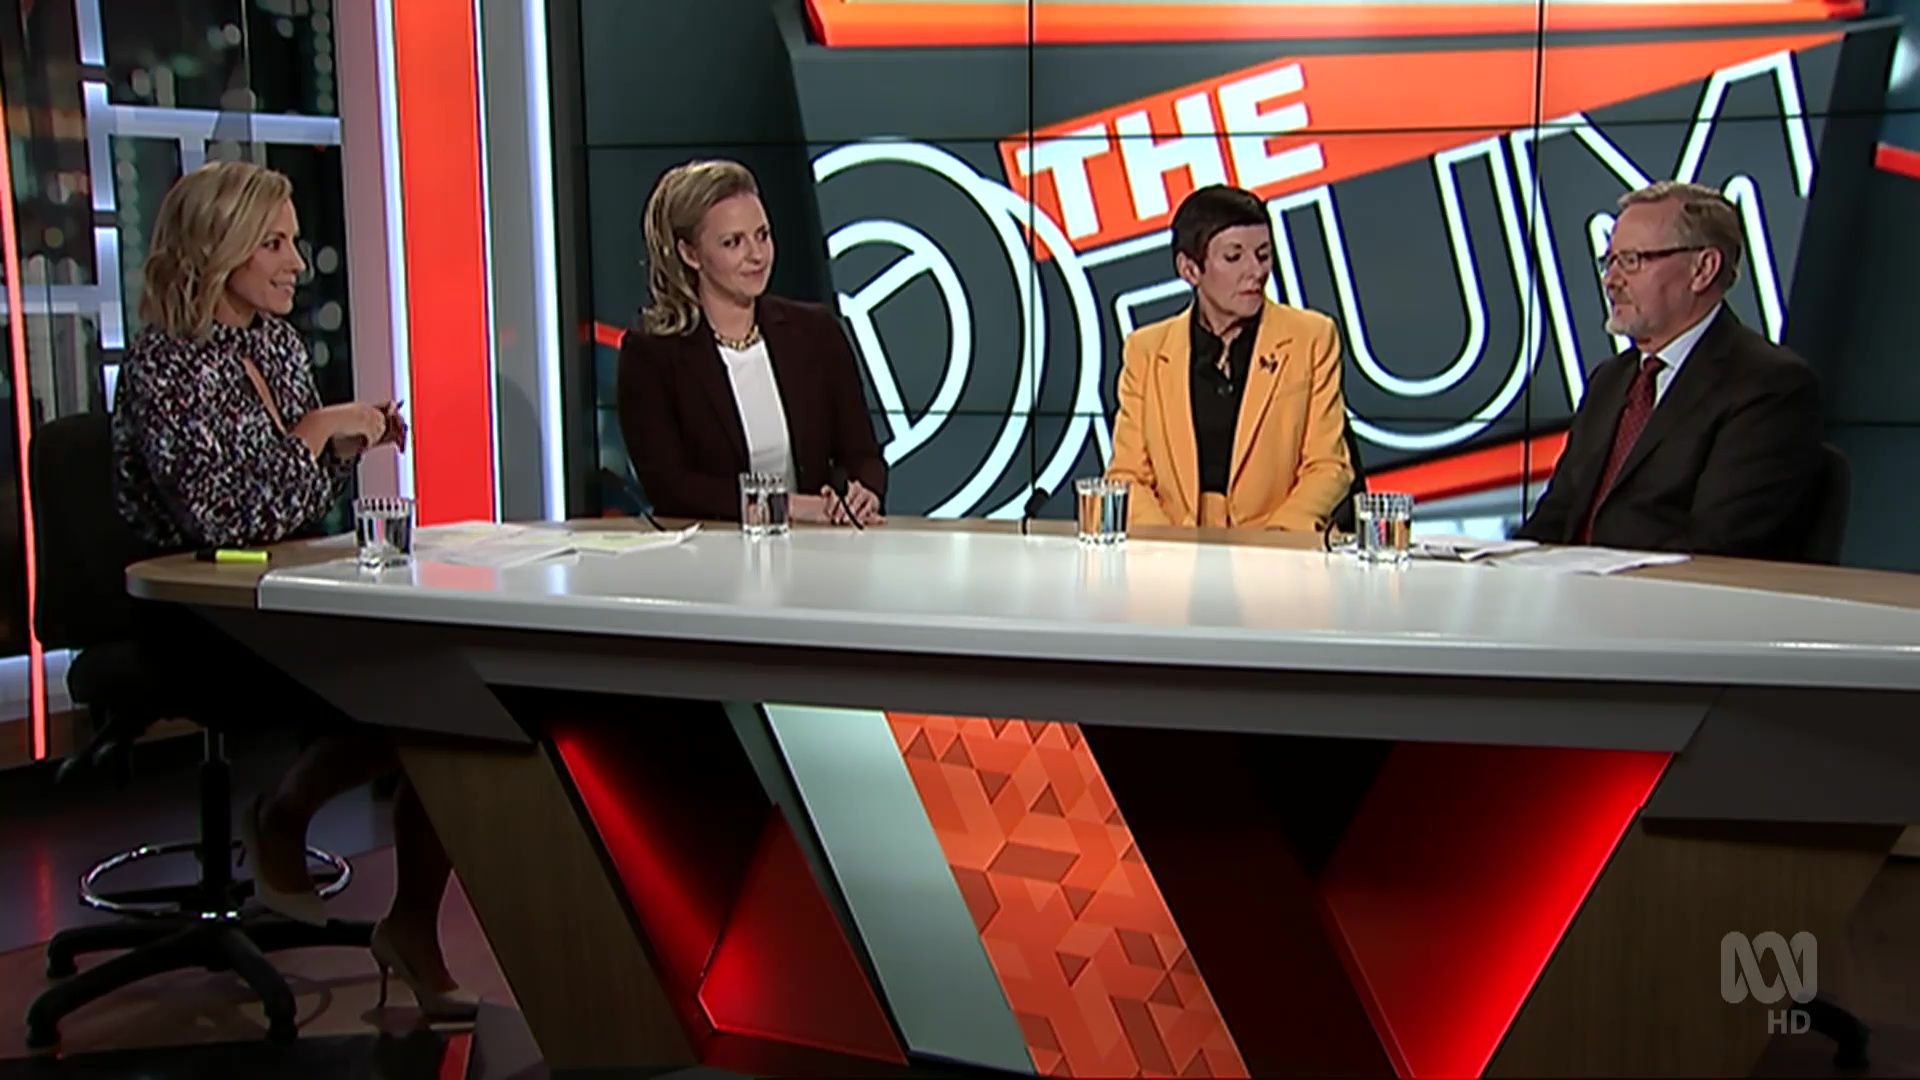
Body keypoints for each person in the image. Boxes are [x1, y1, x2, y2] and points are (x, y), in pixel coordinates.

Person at [112, 160, 475, 1020]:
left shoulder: (271, 344)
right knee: (414, 698)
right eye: (274, 244)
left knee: (454, 692)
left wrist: (343, 446)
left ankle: (407, 919)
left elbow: (290, 505)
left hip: (281, 588)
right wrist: (314, 431)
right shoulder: (164, 363)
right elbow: (217, 517)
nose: (296, 265)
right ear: (219, 248)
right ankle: (284, 816)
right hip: (197, 614)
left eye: (293, 242)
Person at [1516, 181, 1823, 558]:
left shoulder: (1768, 385)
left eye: (1632, 260)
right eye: (1609, 261)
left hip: (1664, 591)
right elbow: (1556, 514)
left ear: (1702, 269)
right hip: (1574, 587)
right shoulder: (1610, 379)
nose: (1611, 281)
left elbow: (1718, 545)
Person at [617, 160, 885, 525]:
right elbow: (670, 486)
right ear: (690, 254)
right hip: (710, 551)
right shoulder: (652, 355)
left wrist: (863, 492)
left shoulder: (816, 332)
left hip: (819, 544)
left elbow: (863, 454)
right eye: (733, 242)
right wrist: (786, 506)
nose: (757, 255)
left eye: (762, 235)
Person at [1106, 185, 1352, 531]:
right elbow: (1128, 475)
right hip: (1173, 551)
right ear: (1190, 269)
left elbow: (1329, 466)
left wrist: (1277, 540)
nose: (1256, 271)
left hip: (1279, 549)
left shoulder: (1311, 338)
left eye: (1263, 255)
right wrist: (1168, 546)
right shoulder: (1145, 350)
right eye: (1234, 257)